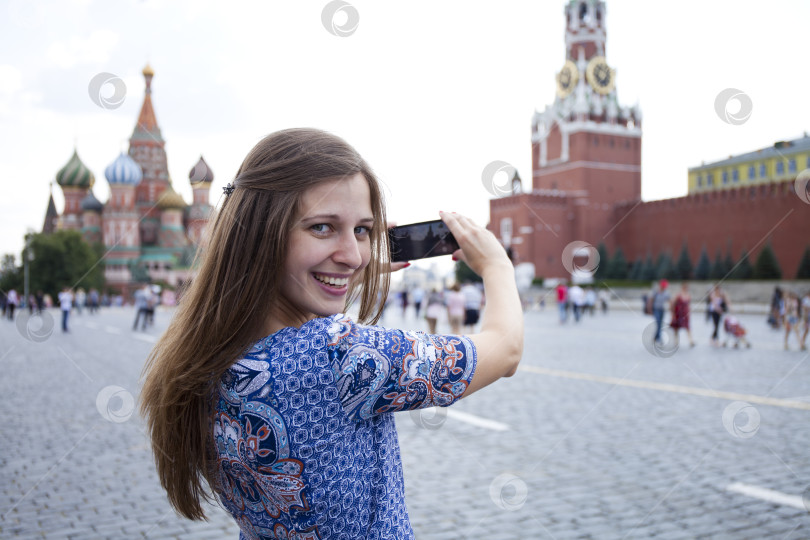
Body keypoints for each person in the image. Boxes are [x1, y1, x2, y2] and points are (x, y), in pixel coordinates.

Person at [139, 128, 524, 538]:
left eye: (362, 230)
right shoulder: (338, 355)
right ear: (261, 234)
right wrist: (497, 267)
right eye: (322, 227)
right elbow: (505, 349)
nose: (354, 254)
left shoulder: (212, 350)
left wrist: (339, 274)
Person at [670, 282, 695, 347]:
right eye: (685, 288)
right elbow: (673, 304)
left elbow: (688, 305)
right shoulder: (678, 295)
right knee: (676, 328)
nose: (686, 289)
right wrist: (673, 314)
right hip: (678, 313)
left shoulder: (688, 295)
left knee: (687, 327)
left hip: (685, 314)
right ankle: (676, 341)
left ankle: (691, 341)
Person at [651, 279, 671, 344]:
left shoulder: (666, 293)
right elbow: (651, 300)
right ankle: (659, 339)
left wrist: (672, 307)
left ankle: (655, 337)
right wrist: (650, 309)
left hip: (662, 310)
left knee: (660, 324)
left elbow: (669, 300)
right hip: (656, 309)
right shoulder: (656, 292)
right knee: (658, 323)